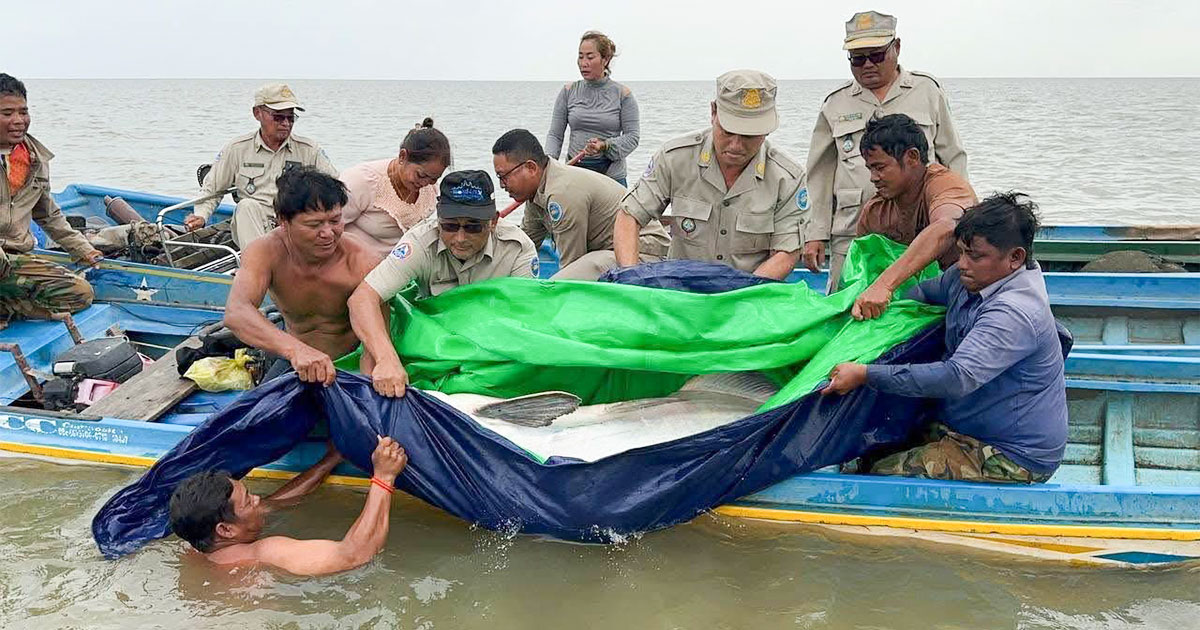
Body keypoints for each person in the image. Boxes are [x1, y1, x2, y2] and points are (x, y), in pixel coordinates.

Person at [821, 193, 1067, 483]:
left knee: (876, 474)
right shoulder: (970, 278)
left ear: (1015, 258)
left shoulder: (1013, 313)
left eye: (975, 256)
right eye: (961, 252)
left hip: (1009, 453)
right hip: (963, 424)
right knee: (871, 445)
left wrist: (865, 373)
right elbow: (922, 294)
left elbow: (955, 377)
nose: (962, 264)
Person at [803, 10, 969, 290]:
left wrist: (962, 221)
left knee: (923, 308)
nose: (867, 65)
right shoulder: (835, 103)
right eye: (857, 58)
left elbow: (952, 157)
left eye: (877, 55)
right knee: (847, 303)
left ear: (897, 47)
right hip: (853, 230)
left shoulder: (927, 91)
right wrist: (814, 233)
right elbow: (819, 175)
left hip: (920, 230)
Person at [347, 171, 538, 397]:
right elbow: (363, 299)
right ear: (438, 219)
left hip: (495, 341)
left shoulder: (518, 248)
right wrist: (386, 359)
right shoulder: (419, 242)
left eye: (473, 227)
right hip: (435, 343)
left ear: (494, 222)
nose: (460, 238)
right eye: (449, 226)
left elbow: (526, 317)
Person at [613, 70, 806, 280]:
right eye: (728, 131)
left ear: (767, 129)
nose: (736, 145)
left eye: (749, 135)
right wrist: (630, 278)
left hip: (747, 296)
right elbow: (629, 216)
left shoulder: (788, 178)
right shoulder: (674, 158)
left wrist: (739, 296)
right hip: (680, 291)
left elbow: (786, 253)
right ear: (713, 112)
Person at [223, 166, 384, 385]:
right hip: (294, 358)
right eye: (314, 224)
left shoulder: (361, 260)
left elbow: (377, 341)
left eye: (335, 221)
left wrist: (369, 383)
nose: (328, 233)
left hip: (350, 364)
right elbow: (237, 313)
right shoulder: (266, 252)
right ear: (283, 221)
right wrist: (296, 351)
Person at [169, 437, 407, 576]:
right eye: (249, 499)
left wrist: (330, 460)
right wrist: (384, 477)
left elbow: (276, 502)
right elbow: (355, 555)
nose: (258, 500)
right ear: (226, 530)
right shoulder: (264, 552)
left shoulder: (195, 551)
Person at [492, 128, 669, 280]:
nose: (501, 184)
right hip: (609, 252)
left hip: (644, 252)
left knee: (559, 284)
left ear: (531, 168)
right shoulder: (537, 193)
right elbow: (525, 244)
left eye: (504, 176)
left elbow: (572, 266)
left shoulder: (562, 193)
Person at [850, 114, 977, 320]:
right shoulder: (875, 211)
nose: (873, 178)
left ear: (912, 157)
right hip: (905, 308)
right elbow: (860, 269)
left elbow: (947, 226)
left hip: (963, 298)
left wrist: (884, 285)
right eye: (870, 169)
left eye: (880, 167)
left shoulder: (945, 185)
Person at [0, 73, 102, 328]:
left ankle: (6, 306)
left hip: (14, 257)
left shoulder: (34, 159)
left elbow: (48, 214)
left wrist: (83, 249)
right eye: (7, 113)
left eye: (23, 112)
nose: (18, 121)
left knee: (81, 294)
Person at [185, 83, 338, 248]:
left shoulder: (309, 150)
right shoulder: (237, 149)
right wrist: (200, 216)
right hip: (255, 225)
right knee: (246, 206)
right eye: (279, 117)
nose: (286, 123)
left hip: (294, 226)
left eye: (291, 118)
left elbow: (336, 189)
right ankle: (258, 265)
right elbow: (212, 189)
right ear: (257, 113)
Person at [339, 119, 451, 258]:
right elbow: (327, 226)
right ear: (403, 156)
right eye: (421, 175)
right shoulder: (362, 180)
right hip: (356, 263)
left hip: (402, 265)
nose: (426, 183)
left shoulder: (431, 187)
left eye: (434, 178)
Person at [545, 30, 640, 185]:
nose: (584, 63)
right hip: (575, 172)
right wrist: (547, 165)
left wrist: (605, 145)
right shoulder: (568, 91)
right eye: (580, 56)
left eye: (590, 57)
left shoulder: (623, 94)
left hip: (611, 175)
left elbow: (633, 138)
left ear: (605, 59)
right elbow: (555, 135)